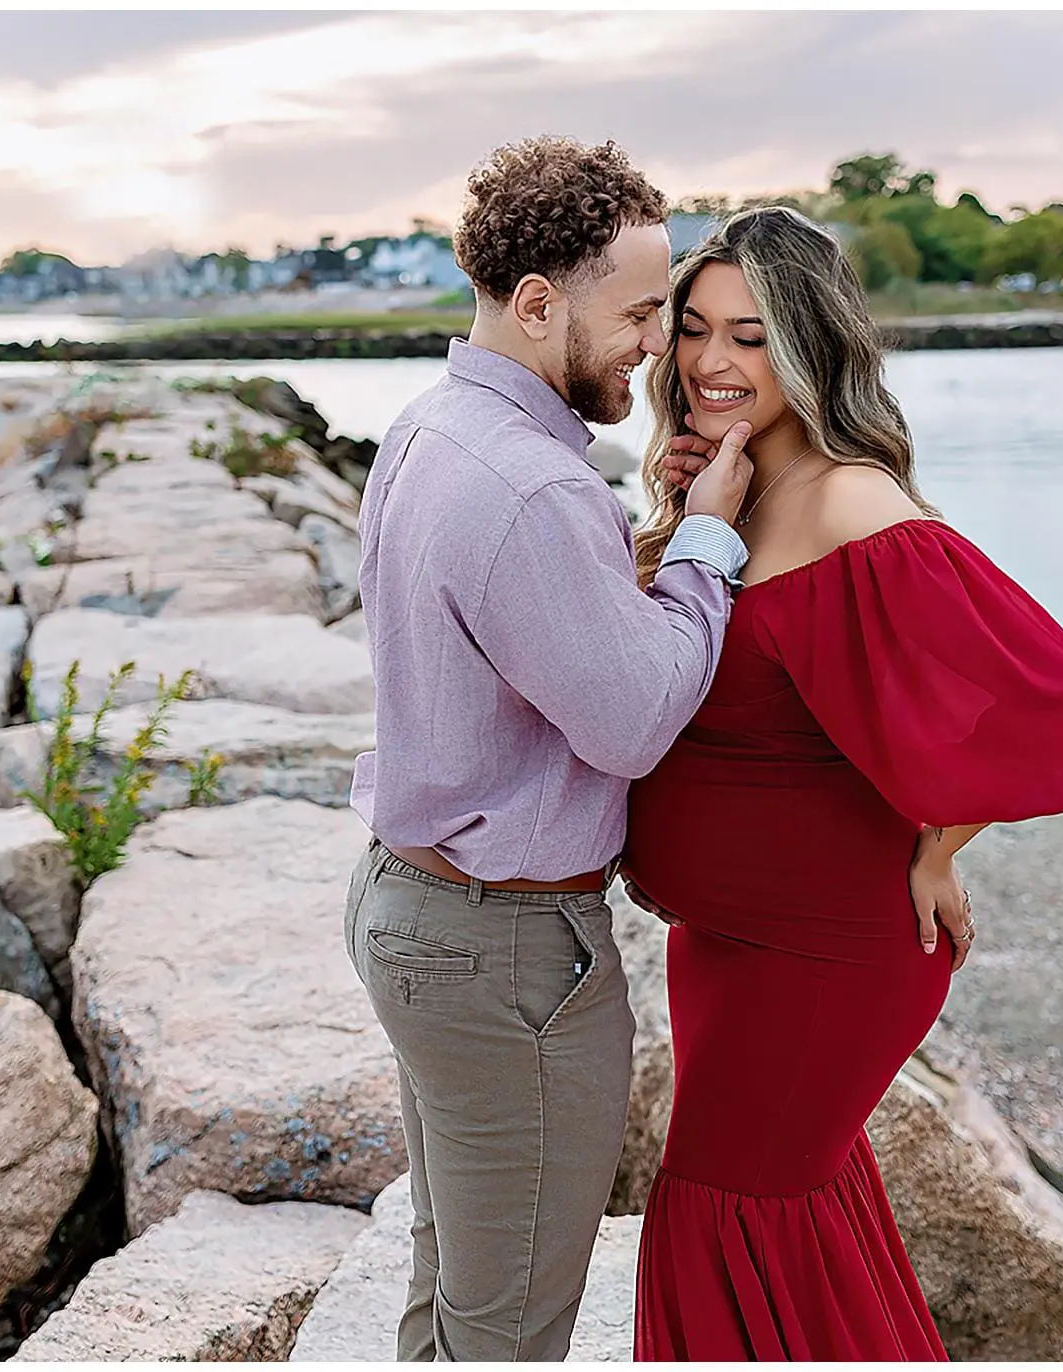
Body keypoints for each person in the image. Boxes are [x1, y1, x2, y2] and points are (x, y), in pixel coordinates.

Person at [622, 206, 1063, 1360]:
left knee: (723, 1210)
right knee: (777, 1213)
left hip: (826, 951)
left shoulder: (852, 499)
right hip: (724, 939)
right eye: (693, 329)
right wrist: (670, 529)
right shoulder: (730, 486)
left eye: (751, 337)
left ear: (809, 344)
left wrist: (935, 846)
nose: (710, 362)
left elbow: (1043, 704)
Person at [341, 137, 758, 1361]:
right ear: (537, 304)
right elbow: (631, 721)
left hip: (415, 902)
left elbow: (521, 633)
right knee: (510, 1324)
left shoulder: (430, 428)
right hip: (503, 955)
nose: (657, 344)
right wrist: (706, 547)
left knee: (458, 1288)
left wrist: (649, 526)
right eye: (639, 312)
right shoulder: (532, 487)